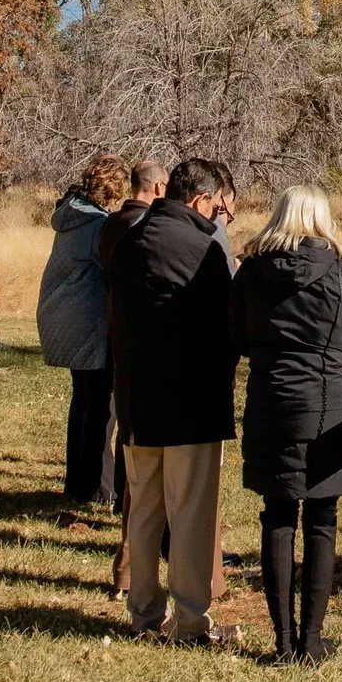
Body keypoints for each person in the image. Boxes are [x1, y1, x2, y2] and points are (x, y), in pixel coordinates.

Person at [231, 184, 342, 665]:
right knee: (322, 518)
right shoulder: (340, 270)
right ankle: (311, 639)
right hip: (327, 407)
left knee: (277, 516)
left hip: (271, 403)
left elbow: (234, 336)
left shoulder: (251, 271)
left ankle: (281, 640)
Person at [105, 155, 241, 646]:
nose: (219, 217)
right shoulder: (201, 247)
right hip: (192, 402)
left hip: (138, 401)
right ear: (201, 200)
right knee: (190, 513)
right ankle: (189, 621)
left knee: (142, 509)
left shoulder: (128, 241)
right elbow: (226, 328)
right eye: (220, 207)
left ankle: (143, 614)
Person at [37, 151, 129, 506]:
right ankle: (97, 487)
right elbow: (114, 269)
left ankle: (77, 482)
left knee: (84, 403)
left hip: (65, 322)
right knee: (102, 408)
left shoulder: (71, 216)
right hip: (89, 327)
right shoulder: (97, 226)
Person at [99, 160, 166, 599]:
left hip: (119, 339)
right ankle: (137, 561)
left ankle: (129, 565)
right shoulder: (144, 227)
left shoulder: (109, 226)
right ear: (158, 187)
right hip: (150, 351)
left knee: (129, 446)